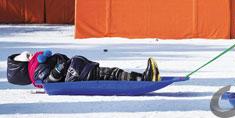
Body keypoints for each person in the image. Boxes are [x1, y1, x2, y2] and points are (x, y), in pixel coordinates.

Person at [7, 50, 160, 88]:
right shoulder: (37, 71)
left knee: (111, 72)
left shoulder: (37, 66)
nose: (32, 55)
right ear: (23, 68)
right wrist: (63, 65)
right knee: (111, 73)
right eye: (28, 57)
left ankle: (141, 77)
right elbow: (50, 80)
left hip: (78, 69)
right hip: (78, 73)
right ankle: (144, 78)